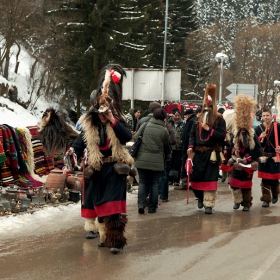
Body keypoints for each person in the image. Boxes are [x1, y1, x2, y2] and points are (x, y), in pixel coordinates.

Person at [69, 64, 134, 254]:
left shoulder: (117, 121)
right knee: (100, 206)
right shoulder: (90, 126)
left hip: (114, 170)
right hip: (98, 170)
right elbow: (79, 142)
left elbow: (127, 137)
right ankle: (104, 236)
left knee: (113, 207)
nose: (103, 117)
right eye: (101, 114)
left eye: (106, 113)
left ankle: (115, 241)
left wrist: (112, 120)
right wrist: (72, 152)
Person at [187, 84, 226, 214]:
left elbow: (221, 136)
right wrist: (190, 146)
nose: (207, 108)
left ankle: (208, 205)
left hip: (212, 154)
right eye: (205, 106)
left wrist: (210, 130)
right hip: (198, 154)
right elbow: (192, 135)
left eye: (210, 106)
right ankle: (200, 197)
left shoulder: (220, 119)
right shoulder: (197, 119)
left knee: (210, 179)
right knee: (196, 179)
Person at [133, 107, 171, 214]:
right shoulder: (164, 130)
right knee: (155, 183)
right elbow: (167, 142)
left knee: (143, 182)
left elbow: (136, 137)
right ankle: (152, 208)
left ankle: (141, 204)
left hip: (142, 159)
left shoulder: (145, 125)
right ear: (164, 118)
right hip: (157, 160)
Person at [228, 94, 261, 211]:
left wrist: (247, 159)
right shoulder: (235, 133)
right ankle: (237, 201)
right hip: (237, 162)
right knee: (234, 184)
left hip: (248, 163)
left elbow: (257, 150)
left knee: (246, 186)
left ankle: (246, 203)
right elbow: (230, 146)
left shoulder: (252, 134)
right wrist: (234, 153)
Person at [254, 108, 280, 207]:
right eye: (264, 116)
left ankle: (275, 194)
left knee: (274, 179)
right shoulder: (258, 128)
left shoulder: (277, 126)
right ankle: (266, 199)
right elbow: (254, 143)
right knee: (264, 180)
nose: (265, 117)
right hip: (263, 157)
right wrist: (260, 137)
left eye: (267, 115)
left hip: (274, 157)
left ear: (271, 115)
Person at [175, 107, 198, 190]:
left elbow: (189, 134)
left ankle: (186, 182)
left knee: (187, 164)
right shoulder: (192, 121)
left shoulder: (191, 121)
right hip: (189, 145)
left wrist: (186, 142)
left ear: (188, 115)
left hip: (188, 146)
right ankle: (189, 182)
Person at [167, 108, 184, 186]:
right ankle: (170, 179)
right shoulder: (169, 123)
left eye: (178, 115)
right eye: (176, 115)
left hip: (179, 147)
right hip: (171, 147)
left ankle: (177, 179)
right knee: (170, 164)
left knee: (178, 164)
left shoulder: (183, 123)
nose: (177, 117)